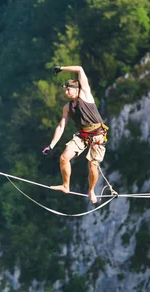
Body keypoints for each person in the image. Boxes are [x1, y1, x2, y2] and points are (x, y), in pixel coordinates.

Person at [42, 65, 108, 203]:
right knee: (64, 158)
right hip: (83, 135)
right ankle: (66, 185)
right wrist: (51, 145)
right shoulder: (68, 107)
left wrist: (61, 68)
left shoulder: (85, 94)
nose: (66, 92)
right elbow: (61, 126)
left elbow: (80, 69)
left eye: (68, 89)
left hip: (97, 134)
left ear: (76, 89)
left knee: (92, 164)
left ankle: (91, 190)